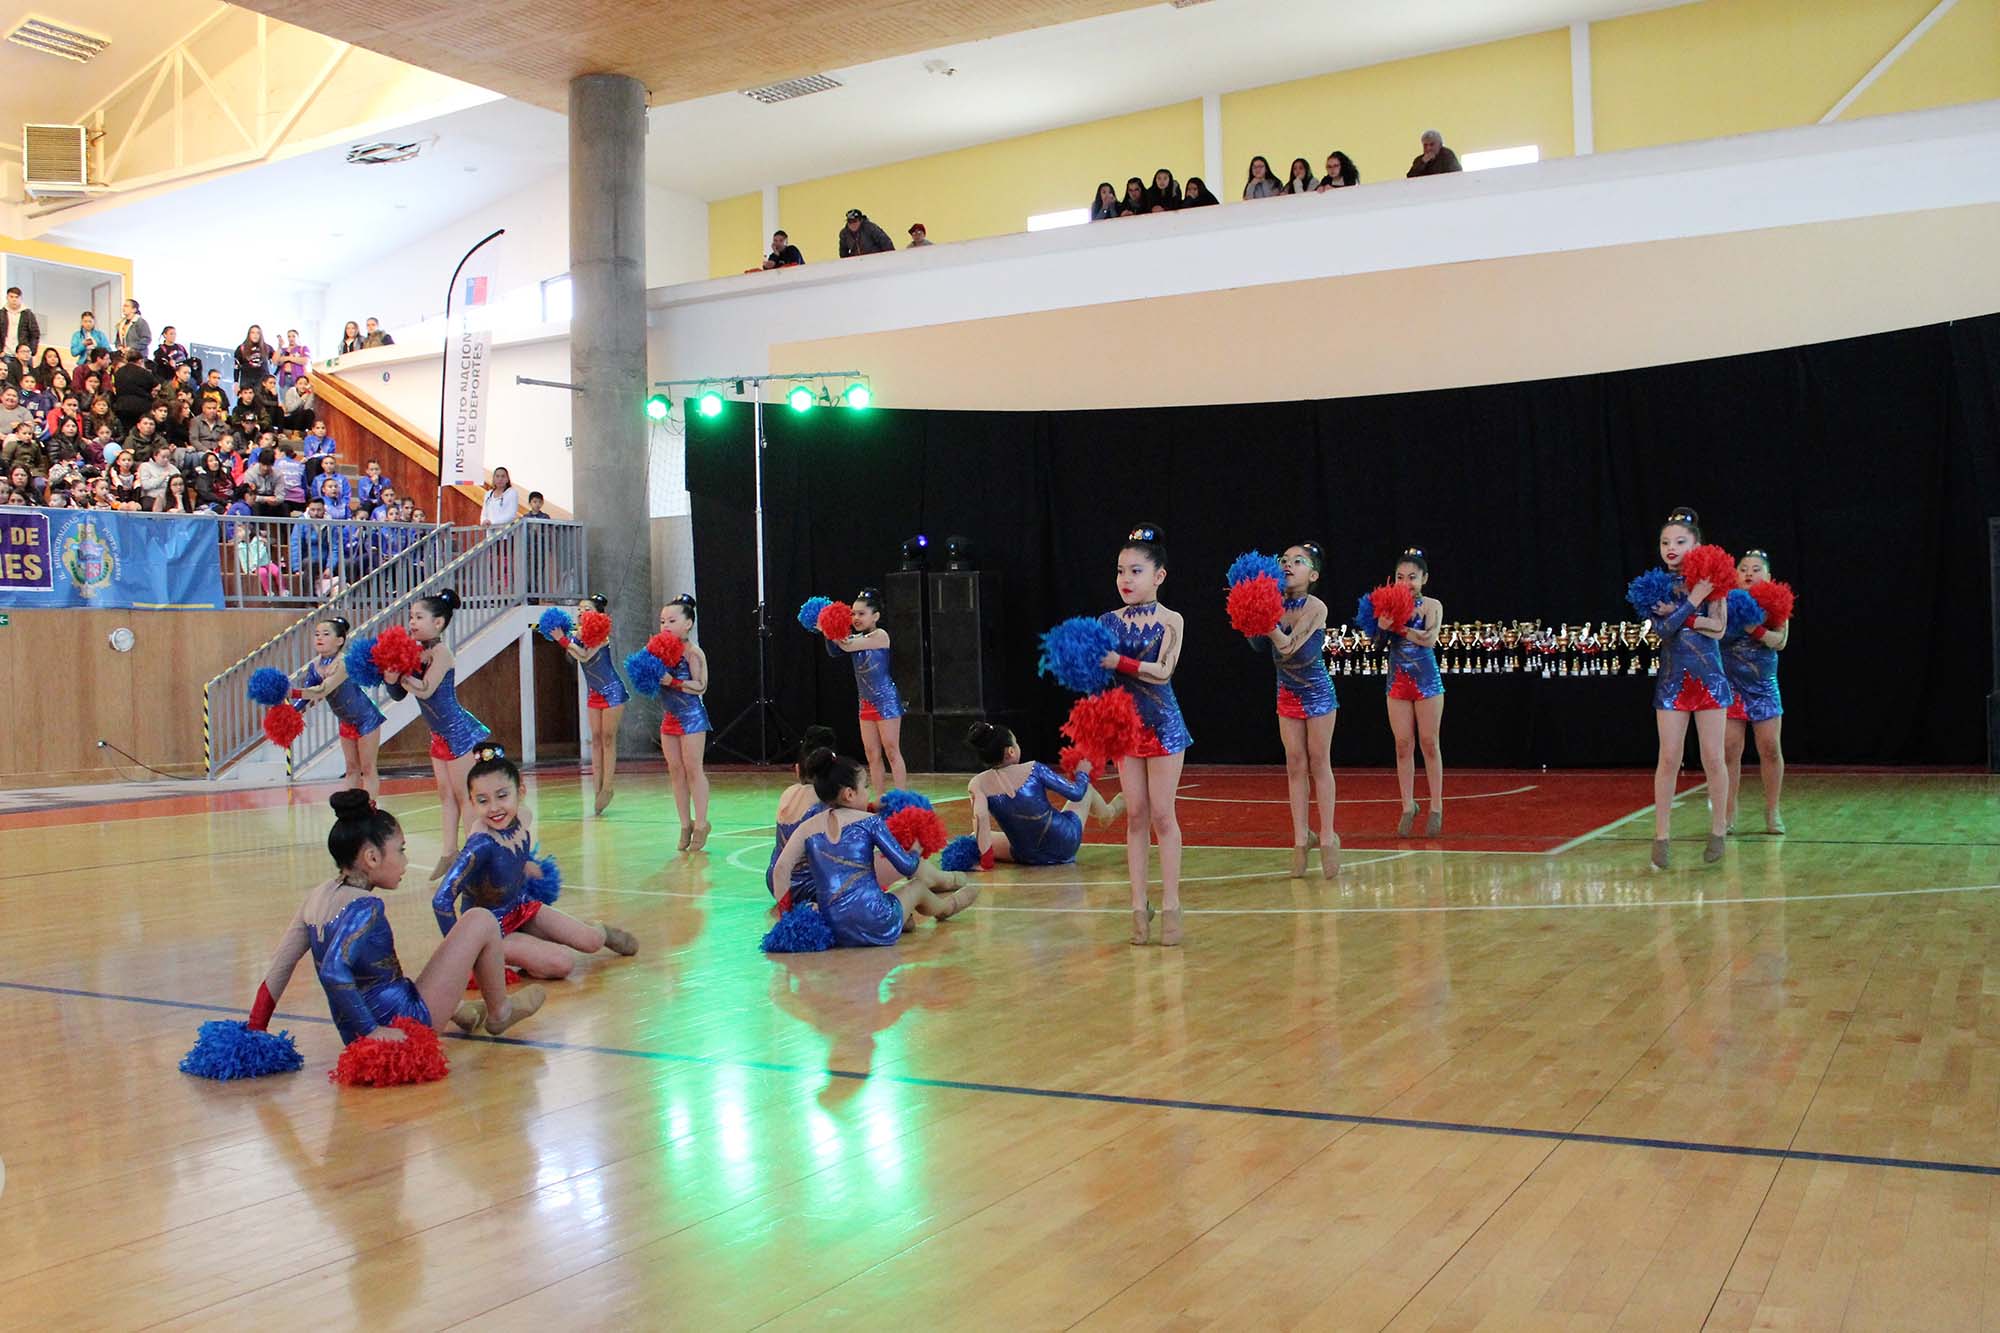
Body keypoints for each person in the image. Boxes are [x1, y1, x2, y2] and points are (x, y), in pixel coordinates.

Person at [246, 791, 545, 1050]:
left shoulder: (316, 897)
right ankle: (499, 1012)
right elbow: (333, 972)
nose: (404, 861)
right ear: (372, 858)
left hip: (358, 1031)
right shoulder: (365, 907)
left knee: (395, 977)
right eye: (400, 851)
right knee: (480, 919)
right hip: (404, 1024)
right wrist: (374, 1032)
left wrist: (255, 1032)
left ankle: (464, 1011)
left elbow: (278, 968)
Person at [432, 748, 638, 983]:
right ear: (471, 802)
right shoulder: (479, 844)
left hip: (520, 908)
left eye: (502, 796)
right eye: (482, 800)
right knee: (563, 963)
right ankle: (516, 956)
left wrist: (526, 863)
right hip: (491, 931)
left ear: (520, 792)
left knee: (591, 941)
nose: (494, 808)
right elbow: (441, 900)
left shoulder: (522, 819)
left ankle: (600, 932)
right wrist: (461, 953)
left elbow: (509, 859)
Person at [767, 749, 976, 948]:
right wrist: (916, 848)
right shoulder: (870, 822)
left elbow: (780, 870)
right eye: (865, 786)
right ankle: (945, 908)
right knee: (918, 887)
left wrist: (788, 919)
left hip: (835, 926)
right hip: (875, 918)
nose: (868, 793)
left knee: (896, 909)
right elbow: (907, 867)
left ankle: (904, 920)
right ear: (849, 794)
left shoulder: (807, 827)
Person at [1098, 524, 1190, 945]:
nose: (1125, 579)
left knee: (1161, 814)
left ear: (1159, 576)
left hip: (1164, 725)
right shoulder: (1105, 621)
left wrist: (1118, 661)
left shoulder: (1172, 620)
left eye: (1136, 571)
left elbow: (1164, 671)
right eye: (1121, 571)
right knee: (1134, 815)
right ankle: (1138, 907)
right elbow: (1096, 678)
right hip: (1125, 728)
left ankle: (1171, 905)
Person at [1645, 507, 1732, 870]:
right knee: (1669, 758)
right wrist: (1694, 602)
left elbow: (1720, 628)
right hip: (1672, 683)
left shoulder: (1713, 579)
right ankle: (1661, 835)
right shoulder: (1652, 585)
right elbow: (1662, 632)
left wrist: (1688, 611)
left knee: (1714, 757)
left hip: (1709, 678)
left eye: (1680, 541)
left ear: (1697, 544)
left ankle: (1718, 831)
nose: (1671, 547)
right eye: (1666, 542)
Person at [383, 589, 493, 878]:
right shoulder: (415, 652)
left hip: (459, 733)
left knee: (464, 797)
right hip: (439, 736)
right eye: (411, 617)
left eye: (419, 617)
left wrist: (403, 675)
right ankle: (449, 852)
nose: (413, 622)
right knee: (445, 796)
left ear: (439, 623)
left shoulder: (442, 652)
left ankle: (473, 855)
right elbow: (397, 695)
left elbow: (426, 688)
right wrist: (390, 676)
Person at [1263, 542, 1340, 877]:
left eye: (1298, 561)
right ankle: (1299, 838)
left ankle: (1326, 837)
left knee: (1319, 760)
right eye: (1284, 560)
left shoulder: (1317, 607)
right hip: (1287, 692)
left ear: (1314, 573)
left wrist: (1267, 623)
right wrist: (1252, 616)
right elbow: (1257, 645)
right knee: (1294, 763)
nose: (1288, 564)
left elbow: (1291, 648)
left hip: (1318, 693)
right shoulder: (1272, 603)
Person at [1364, 548, 1446, 837]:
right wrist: (1381, 628)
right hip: (1398, 682)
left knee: (1429, 742)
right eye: (1400, 577)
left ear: (1424, 578)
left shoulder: (1433, 606)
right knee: (1402, 744)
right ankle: (1408, 805)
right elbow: (1375, 644)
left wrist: (1397, 626)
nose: (1406, 582)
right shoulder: (1386, 606)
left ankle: (1436, 805)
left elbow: (1429, 639)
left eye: (1412, 577)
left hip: (1427, 682)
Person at [966, 722, 1122, 868]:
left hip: (1027, 856)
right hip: (1065, 843)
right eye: (1016, 742)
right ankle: (1108, 813)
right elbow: (1076, 793)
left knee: (974, 836)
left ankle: (1107, 813)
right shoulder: (1034, 769)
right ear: (1011, 751)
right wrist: (1082, 773)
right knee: (1086, 788)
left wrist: (986, 863)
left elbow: (980, 820)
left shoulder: (977, 783)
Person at [1723, 548, 1790, 836]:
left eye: (1756, 568)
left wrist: (1755, 628)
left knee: (1770, 748)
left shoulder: (1774, 603)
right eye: (1744, 568)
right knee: (1729, 750)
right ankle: (1728, 812)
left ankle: (1772, 809)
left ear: (1769, 576)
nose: (1749, 573)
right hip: (1731, 686)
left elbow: (1780, 641)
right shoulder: (1722, 601)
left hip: (1763, 687)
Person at [821, 586, 907, 795]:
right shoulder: (854, 638)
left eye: (861, 613)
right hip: (865, 701)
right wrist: (826, 627)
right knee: (871, 753)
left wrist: (830, 628)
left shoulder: (880, 635)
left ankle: (902, 798)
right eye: (852, 614)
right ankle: (879, 798)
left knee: (892, 750)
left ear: (875, 616)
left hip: (885, 700)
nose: (856, 618)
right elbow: (835, 650)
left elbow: (847, 646)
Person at [559, 592, 629, 816]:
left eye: (586, 609)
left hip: (612, 691)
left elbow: (585, 656)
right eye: (579, 609)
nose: (581, 613)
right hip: (594, 692)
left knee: (608, 739)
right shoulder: (576, 634)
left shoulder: (601, 634)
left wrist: (563, 639)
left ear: (598, 614)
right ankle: (597, 788)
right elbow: (572, 651)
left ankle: (608, 787)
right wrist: (563, 637)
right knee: (596, 740)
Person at [656, 595, 712, 850]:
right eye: (662, 621)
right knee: (675, 771)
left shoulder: (693, 652)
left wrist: (674, 682)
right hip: (670, 717)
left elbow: (701, 686)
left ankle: (701, 823)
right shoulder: (659, 652)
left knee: (692, 768)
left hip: (691, 718)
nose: (665, 625)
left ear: (688, 623)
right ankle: (684, 823)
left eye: (671, 620)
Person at [766, 724, 837, 910]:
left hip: (776, 883)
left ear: (797, 769)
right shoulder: (826, 801)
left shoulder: (788, 793)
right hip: (808, 886)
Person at [111, 348, 157, 433]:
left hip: (122, 406)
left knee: (125, 431)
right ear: (140, 361)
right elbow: (155, 386)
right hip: (141, 407)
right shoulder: (144, 373)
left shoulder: (118, 372)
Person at [2, 288, 39, 358]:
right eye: (11, 297)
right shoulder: (1, 314)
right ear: (7, 298)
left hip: (24, 354)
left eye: (17, 297)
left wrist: (32, 351)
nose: (14, 300)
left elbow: (35, 334)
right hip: (5, 354)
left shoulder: (28, 314)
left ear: (21, 298)